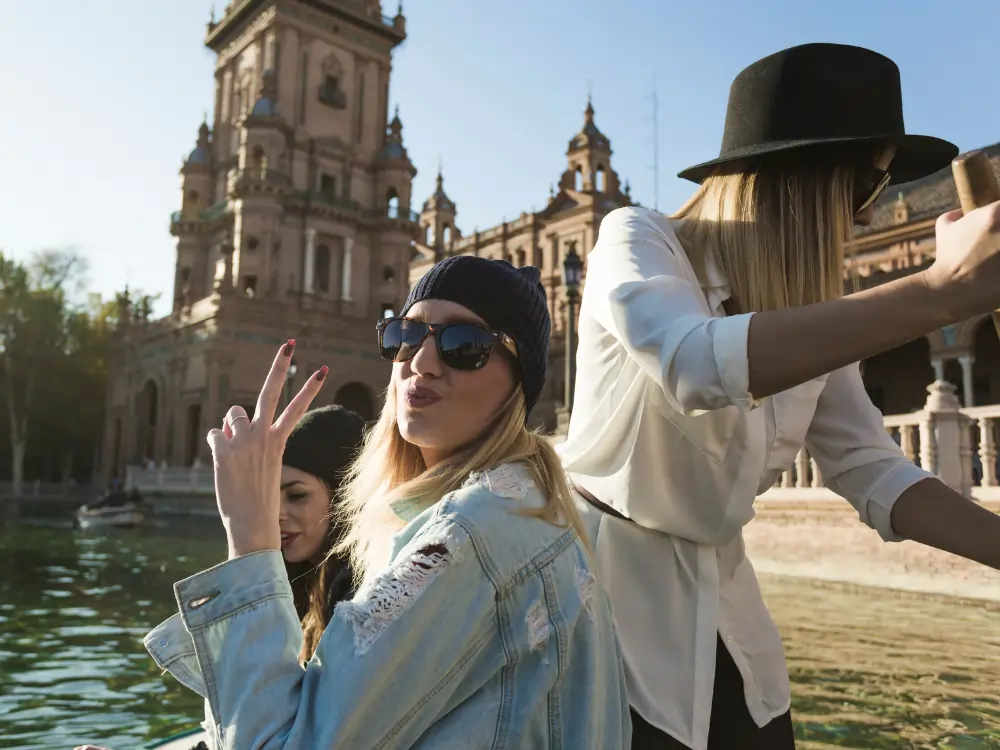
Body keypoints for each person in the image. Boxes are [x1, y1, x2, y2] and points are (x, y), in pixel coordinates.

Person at [558, 43, 1000, 750]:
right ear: (796, 180)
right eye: (866, 189)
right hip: (602, 617)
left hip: (736, 619)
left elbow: (874, 470)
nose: (863, 220)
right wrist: (942, 291)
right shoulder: (637, 238)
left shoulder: (814, 310)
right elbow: (692, 362)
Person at [133, 257, 628, 749]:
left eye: (466, 345)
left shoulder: (467, 538)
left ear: (519, 382)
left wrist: (249, 536)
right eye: (405, 336)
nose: (421, 362)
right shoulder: (530, 509)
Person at [75, 405, 367, 750]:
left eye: (296, 495)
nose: (275, 513)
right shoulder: (295, 585)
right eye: (268, 494)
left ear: (346, 495)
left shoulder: (359, 600)